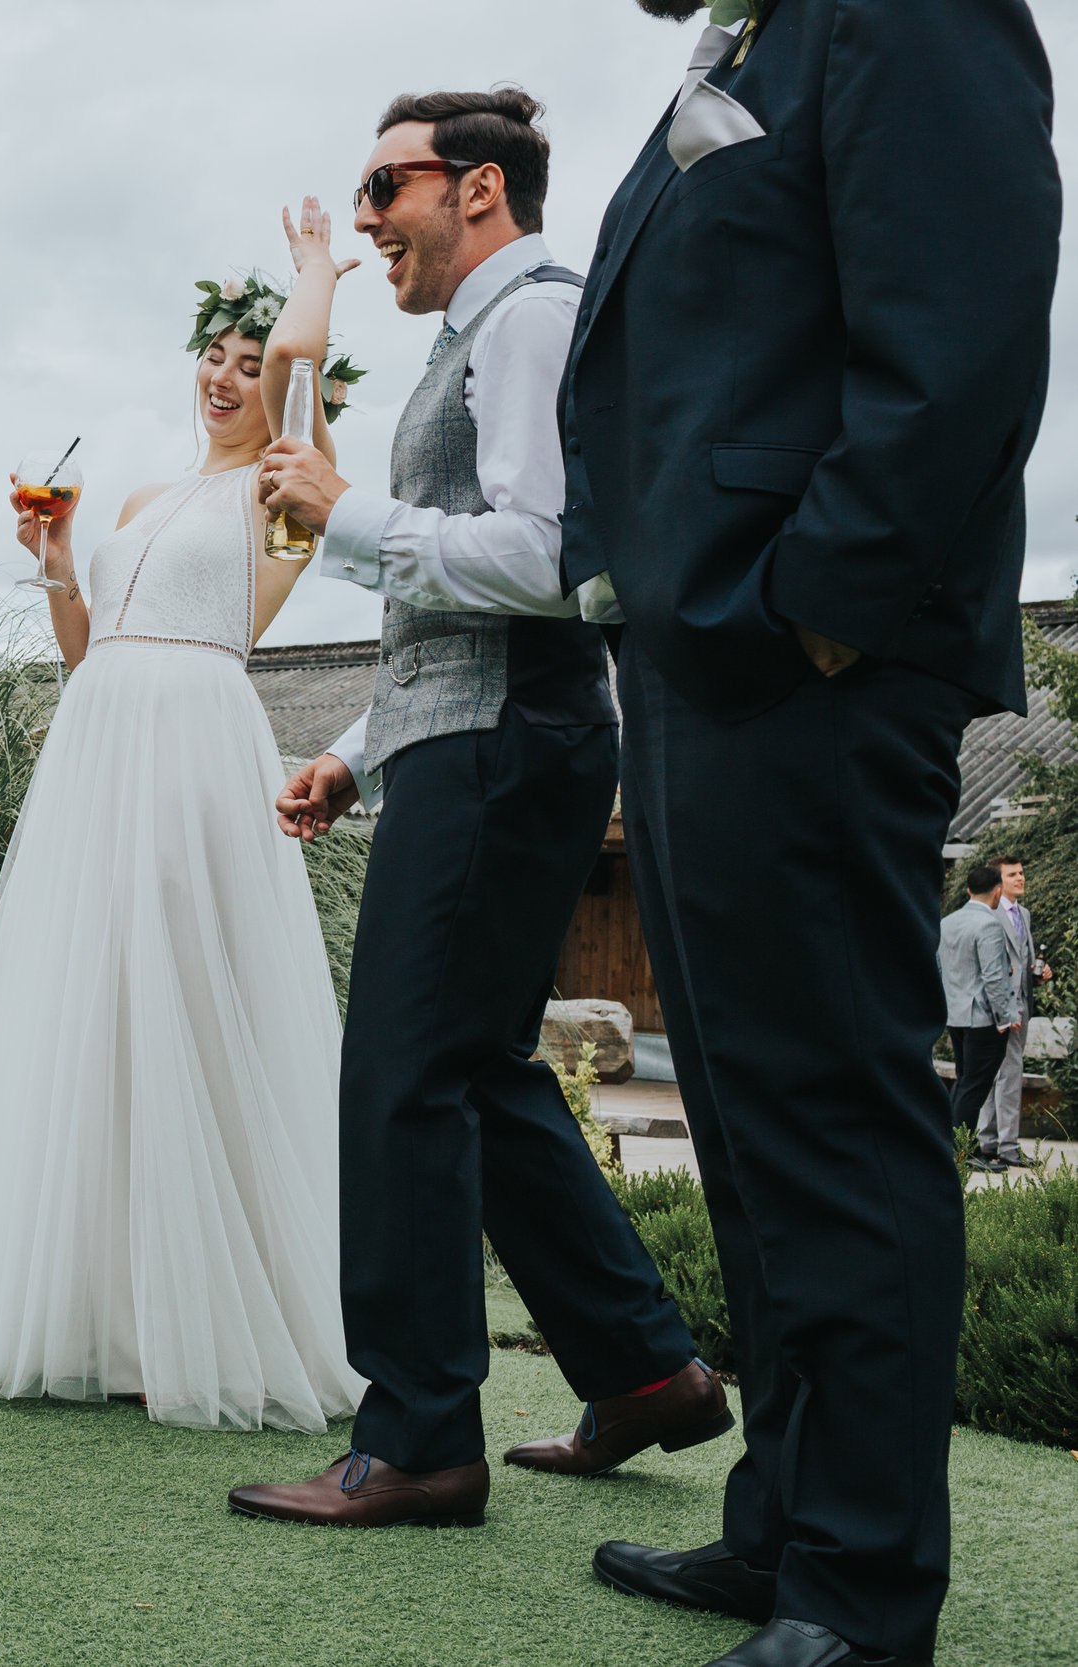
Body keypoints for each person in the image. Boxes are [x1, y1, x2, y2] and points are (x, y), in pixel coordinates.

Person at [554, 2, 1057, 1662]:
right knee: (753, 1116)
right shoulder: (743, 44)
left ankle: (859, 1581)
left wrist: (821, 609)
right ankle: (784, 1523)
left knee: (833, 1109)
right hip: (707, 652)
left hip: (814, 655)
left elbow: (967, 327)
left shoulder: (910, 9)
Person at [230, 92, 721, 1533]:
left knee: (400, 1075)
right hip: (485, 735)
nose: (370, 214)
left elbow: (553, 557)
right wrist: (366, 752)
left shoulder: (528, 320)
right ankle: (642, 1369)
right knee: (480, 1068)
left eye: (388, 185)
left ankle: (421, 1437)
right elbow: (473, 606)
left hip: (515, 740)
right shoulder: (472, 336)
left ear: (480, 187)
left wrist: (343, 517)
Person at [0, 203, 365, 1432]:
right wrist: (61, 560)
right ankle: (95, 1305)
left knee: (184, 991)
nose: (227, 375)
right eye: (213, 357)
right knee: (94, 1006)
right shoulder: (138, 496)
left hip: (191, 749)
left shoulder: (287, 496)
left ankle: (201, 1316)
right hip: (99, 745)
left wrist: (313, 276)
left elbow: (297, 372)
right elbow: (82, 653)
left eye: (245, 358)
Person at [939, 866, 1019, 1149]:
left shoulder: (947, 922)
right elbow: (994, 977)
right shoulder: (989, 925)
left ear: (969, 890)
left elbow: (941, 968)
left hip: (955, 1015)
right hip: (983, 1019)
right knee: (974, 1088)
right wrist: (1004, 1018)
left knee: (964, 1083)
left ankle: (953, 1147)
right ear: (997, 891)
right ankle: (963, 1151)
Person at [984, 856, 1049, 1170]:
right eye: (1012, 874)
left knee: (1005, 1075)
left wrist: (1038, 973)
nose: (1020, 878)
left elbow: (1023, 962)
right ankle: (1005, 1147)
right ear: (998, 881)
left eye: (1022, 872)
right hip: (1001, 1009)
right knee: (1007, 1076)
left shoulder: (1024, 913)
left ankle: (988, 1142)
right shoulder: (989, 914)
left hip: (1022, 1005)